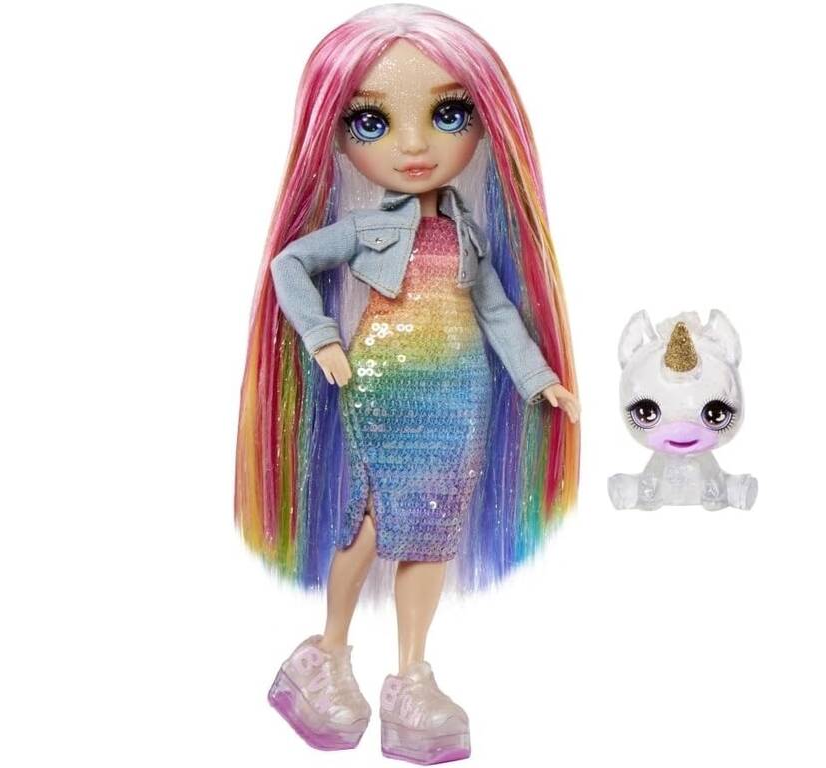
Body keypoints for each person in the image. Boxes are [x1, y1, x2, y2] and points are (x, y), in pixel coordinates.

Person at [234, 5, 579, 763]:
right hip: (385, 387)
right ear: (335, 135)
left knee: (437, 526)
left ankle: (412, 674)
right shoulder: (369, 230)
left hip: (461, 395)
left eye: (449, 114)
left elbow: (499, 315)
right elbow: (290, 264)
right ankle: (325, 653)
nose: (415, 145)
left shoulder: (470, 235)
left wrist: (540, 379)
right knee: (371, 514)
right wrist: (322, 338)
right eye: (372, 122)